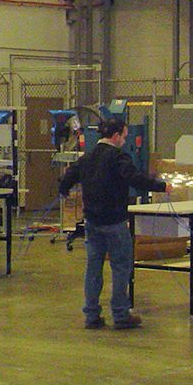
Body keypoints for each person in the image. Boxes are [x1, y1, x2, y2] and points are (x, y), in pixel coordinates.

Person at [58, 117, 171, 330]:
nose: (124, 140)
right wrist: (161, 186)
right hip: (115, 221)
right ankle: (120, 314)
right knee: (121, 266)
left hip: (92, 221)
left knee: (93, 267)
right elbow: (135, 178)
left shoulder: (88, 157)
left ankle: (91, 314)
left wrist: (64, 190)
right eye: (124, 136)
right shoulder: (119, 157)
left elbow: (70, 175)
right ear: (116, 135)